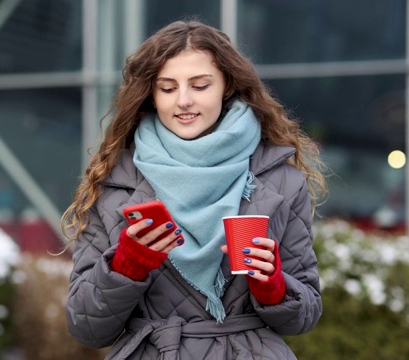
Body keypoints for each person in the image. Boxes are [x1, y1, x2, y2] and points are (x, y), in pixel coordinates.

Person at [61, 19, 327, 359]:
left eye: (200, 86)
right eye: (168, 88)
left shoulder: (279, 179)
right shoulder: (115, 183)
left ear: (227, 86)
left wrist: (273, 287)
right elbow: (86, 328)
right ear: (151, 95)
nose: (183, 101)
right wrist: (125, 268)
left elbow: (305, 316)